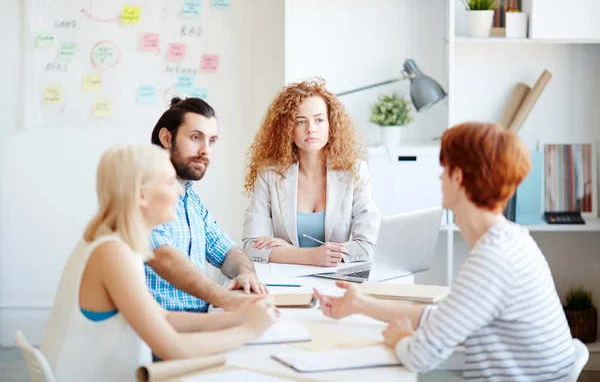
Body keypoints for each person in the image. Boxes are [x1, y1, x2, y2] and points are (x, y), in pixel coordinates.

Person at [314, 122, 575, 380]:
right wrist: (361, 304)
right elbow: (444, 318)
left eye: (445, 168)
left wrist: (401, 338)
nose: (440, 177)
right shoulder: (511, 240)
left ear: (458, 177)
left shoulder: (492, 259)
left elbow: (419, 356)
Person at [41, 144, 278, 382]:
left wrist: (239, 316)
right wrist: (249, 330)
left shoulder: (113, 242)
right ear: (141, 195)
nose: (178, 190)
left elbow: (164, 317)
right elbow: (173, 347)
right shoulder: (113, 253)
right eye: (168, 181)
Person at [242, 78, 381, 266]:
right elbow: (252, 246)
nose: (311, 129)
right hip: (285, 281)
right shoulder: (269, 174)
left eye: (319, 120)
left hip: (339, 279)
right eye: (300, 122)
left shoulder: (355, 172)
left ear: (331, 124)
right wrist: (309, 257)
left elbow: (366, 247)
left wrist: (291, 252)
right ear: (287, 129)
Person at [147, 97, 268, 314]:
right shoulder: (146, 191)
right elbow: (163, 257)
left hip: (199, 319)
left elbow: (227, 250)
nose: (205, 150)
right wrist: (225, 298)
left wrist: (246, 273)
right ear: (166, 138)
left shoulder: (191, 198)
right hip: (163, 329)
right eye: (196, 137)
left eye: (211, 141)